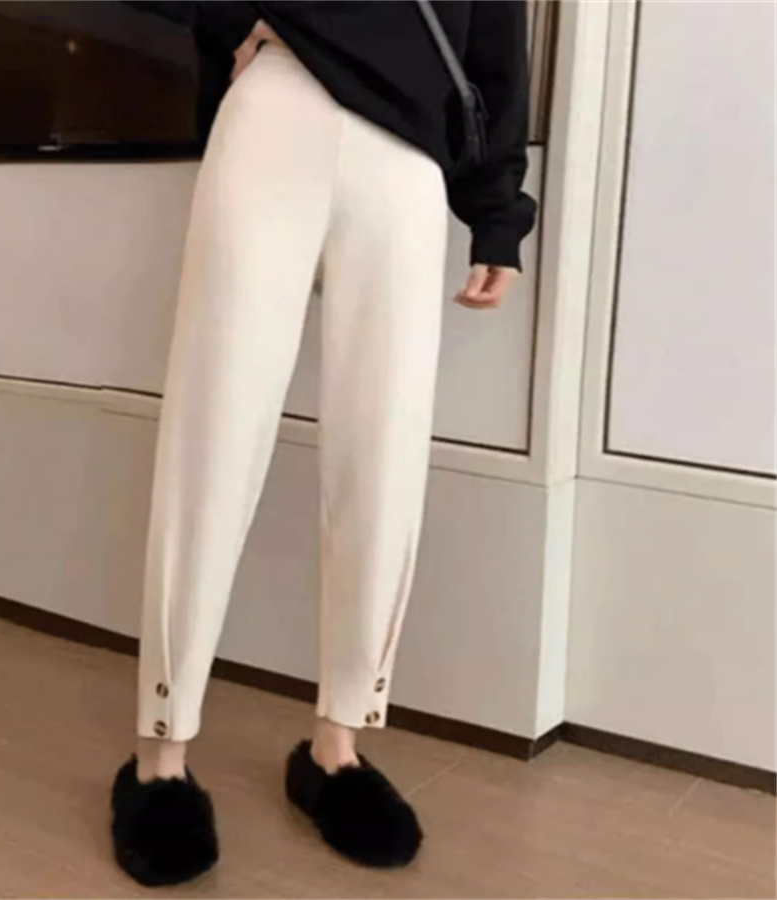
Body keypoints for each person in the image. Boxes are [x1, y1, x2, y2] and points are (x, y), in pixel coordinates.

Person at [112, 0, 537, 886]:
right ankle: (161, 752)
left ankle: (337, 747)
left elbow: (496, 35)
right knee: (213, 436)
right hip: (278, 107)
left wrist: (497, 212)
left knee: (383, 454)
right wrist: (231, 15)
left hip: (409, 151)